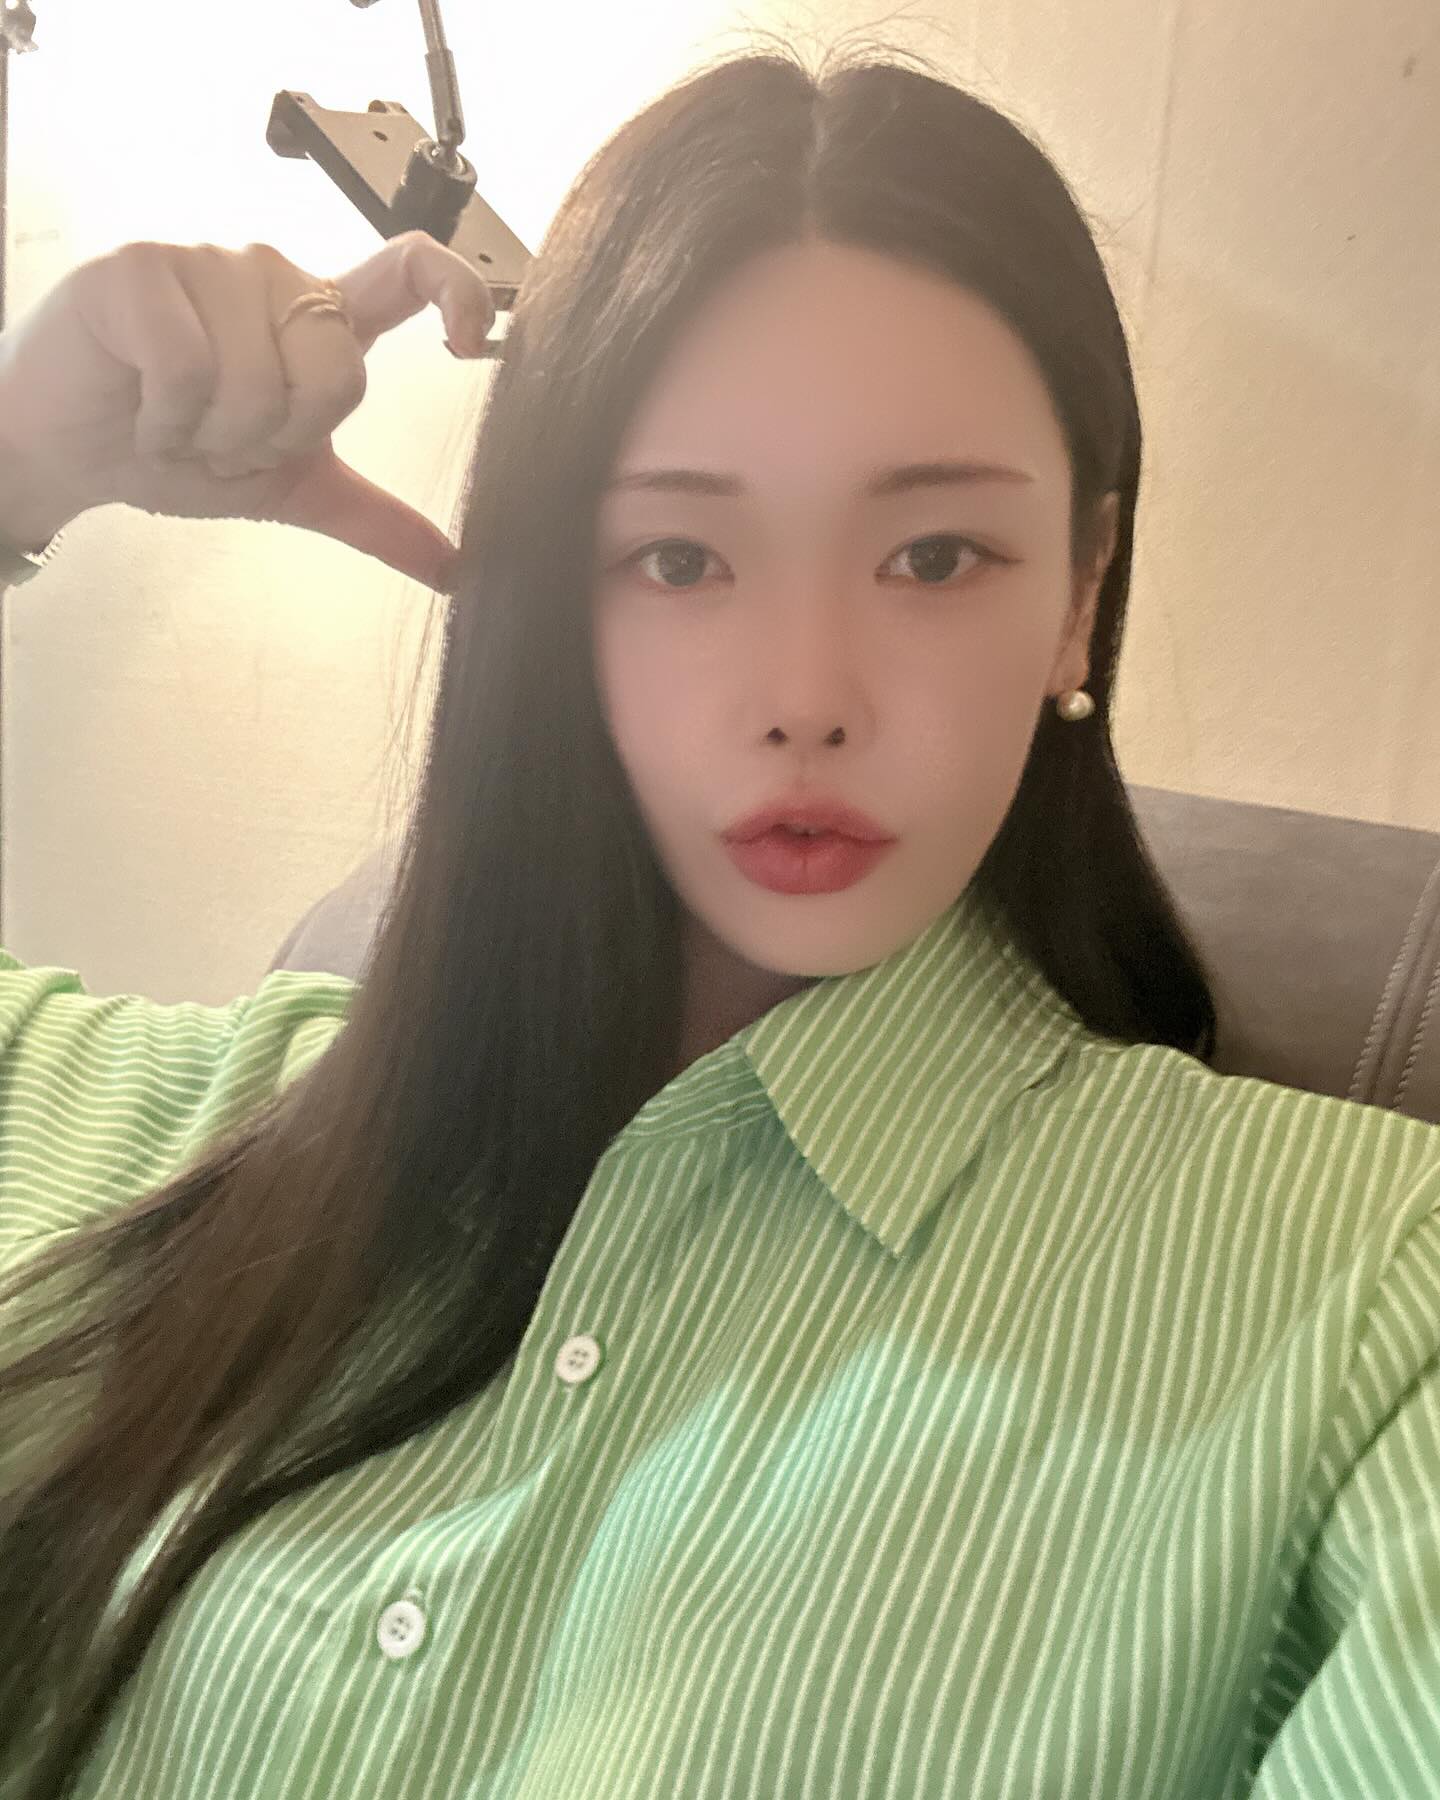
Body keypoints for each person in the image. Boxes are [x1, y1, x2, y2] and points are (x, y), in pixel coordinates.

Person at [0, 35, 1438, 1800]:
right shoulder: (185, 1121)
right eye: (678, 558)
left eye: (933, 558)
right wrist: (17, 461)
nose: (806, 699)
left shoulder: (1372, 1305)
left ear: (1081, 590)